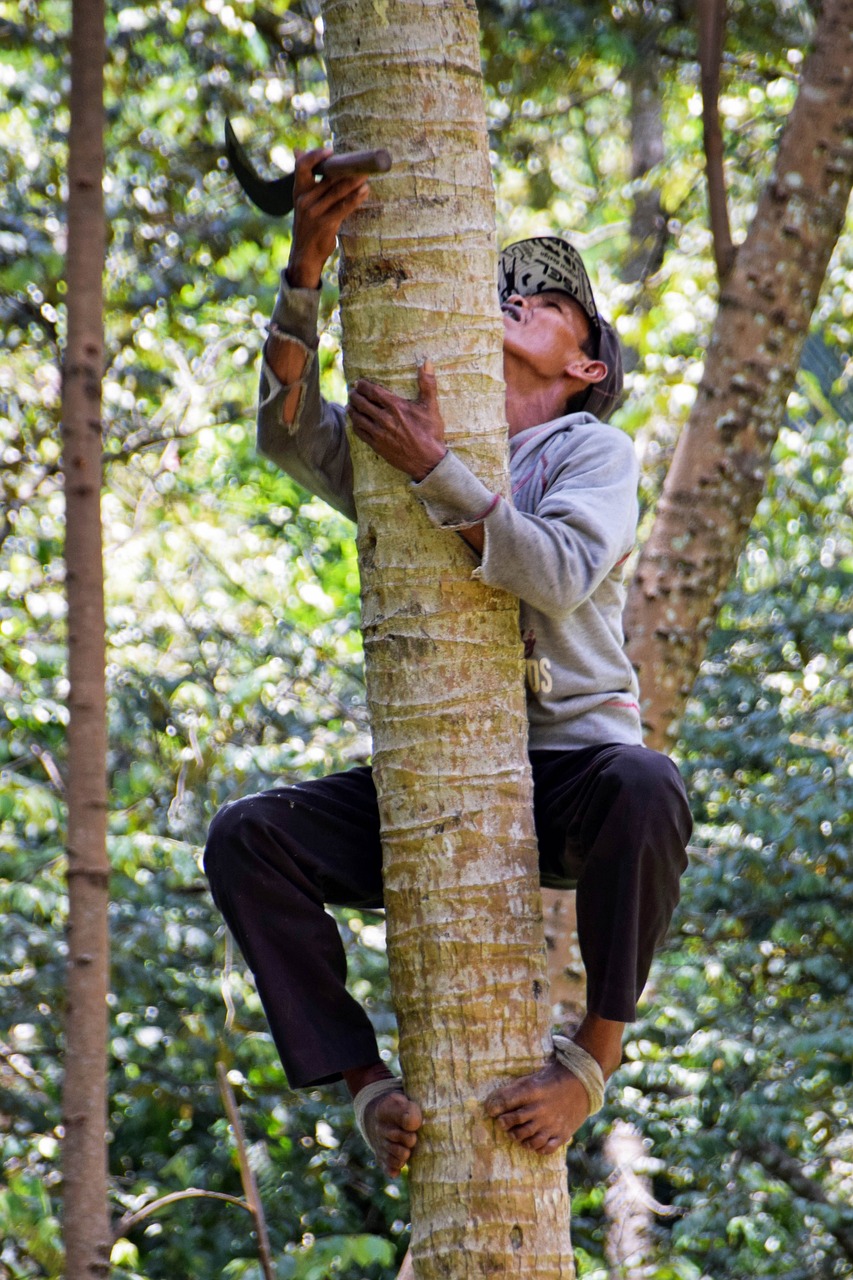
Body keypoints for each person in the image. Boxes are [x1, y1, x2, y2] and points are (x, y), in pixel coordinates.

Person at [204, 149, 692, 1179]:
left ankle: (590, 1065)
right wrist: (306, 261)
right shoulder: (413, 434)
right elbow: (286, 428)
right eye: (503, 288)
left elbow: (556, 571)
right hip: (439, 777)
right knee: (249, 835)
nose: (518, 298)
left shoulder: (591, 452)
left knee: (648, 782)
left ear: (586, 364)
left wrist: (434, 465)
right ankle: (365, 1085)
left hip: (569, 772)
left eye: (545, 297)